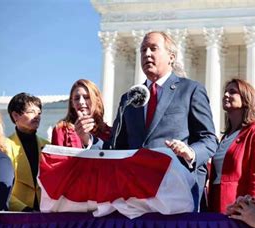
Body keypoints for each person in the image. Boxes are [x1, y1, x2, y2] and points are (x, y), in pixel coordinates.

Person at [78, 31, 217, 207]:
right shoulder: (129, 98)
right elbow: (116, 147)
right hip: (136, 195)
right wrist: (88, 140)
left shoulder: (190, 90)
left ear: (171, 57)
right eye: (143, 50)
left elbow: (209, 140)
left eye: (153, 48)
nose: (147, 54)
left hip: (177, 191)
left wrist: (191, 153)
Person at [207, 78, 255, 213]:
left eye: (232, 92)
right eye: (225, 92)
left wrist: (252, 211)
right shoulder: (225, 137)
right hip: (215, 206)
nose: (225, 95)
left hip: (238, 210)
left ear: (246, 99)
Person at [6, 93, 49, 212]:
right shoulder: (4, 145)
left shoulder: (48, 145)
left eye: (39, 113)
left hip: (46, 212)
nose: (37, 116)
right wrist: (23, 209)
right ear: (15, 115)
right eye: (31, 112)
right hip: (17, 215)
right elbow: (2, 187)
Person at [51, 79, 111, 148]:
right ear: (72, 103)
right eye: (76, 98)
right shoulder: (62, 130)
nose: (81, 102)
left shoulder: (109, 132)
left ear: (97, 100)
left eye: (86, 97)